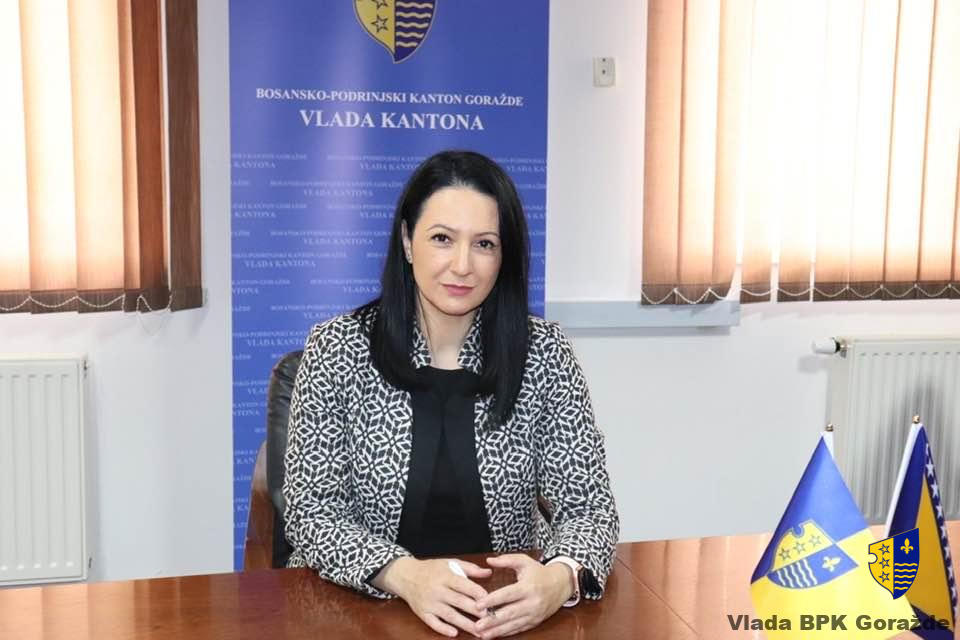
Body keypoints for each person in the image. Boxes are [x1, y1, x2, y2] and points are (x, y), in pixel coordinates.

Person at [283, 150, 619, 639]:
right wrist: (405, 575)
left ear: (504, 256)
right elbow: (312, 512)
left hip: (502, 615)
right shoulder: (338, 348)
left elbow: (590, 507)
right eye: (442, 238)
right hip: (361, 611)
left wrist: (560, 577)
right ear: (407, 241)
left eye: (484, 244)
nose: (462, 265)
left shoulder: (543, 352)